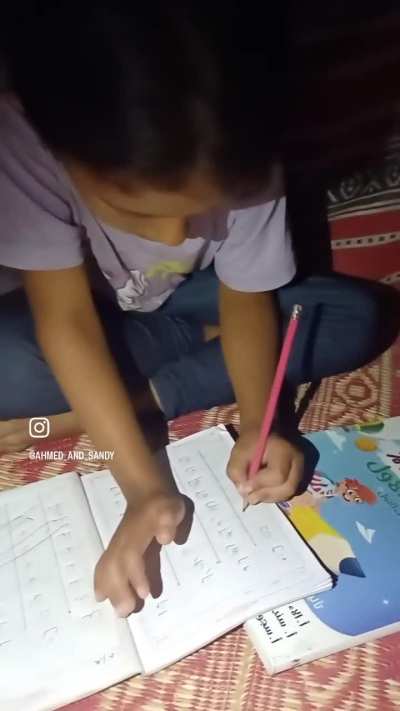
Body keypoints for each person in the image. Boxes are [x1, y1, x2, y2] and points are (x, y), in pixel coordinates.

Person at [0, 3, 398, 616]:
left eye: (205, 207)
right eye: (132, 213)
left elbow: (247, 296)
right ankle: (160, 373)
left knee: (349, 316)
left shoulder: (247, 143)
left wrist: (269, 418)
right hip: (93, 312)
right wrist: (141, 486)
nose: (171, 238)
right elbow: (67, 324)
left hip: (198, 299)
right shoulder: (24, 140)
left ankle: (127, 401)